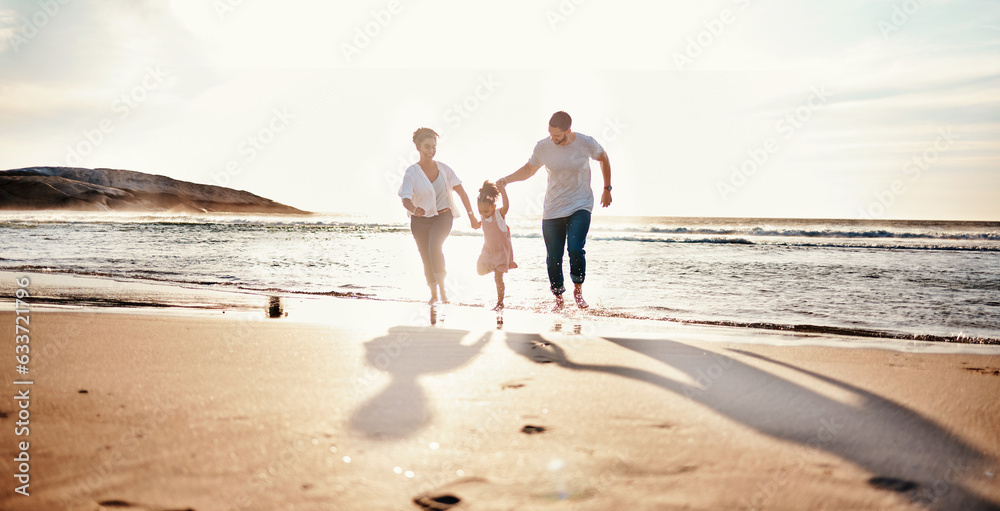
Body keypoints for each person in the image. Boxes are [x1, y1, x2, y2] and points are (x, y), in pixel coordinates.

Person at [497, 111, 612, 310]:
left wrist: (607, 188)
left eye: (557, 135)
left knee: (576, 248)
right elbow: (528, 170)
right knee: (553, 258)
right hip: (553, 209)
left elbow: (604, 159)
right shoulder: (543, 147)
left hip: (580, 204)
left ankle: (578, 292)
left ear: (569, 130)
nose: (553, 138)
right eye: (550, 134)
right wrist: (506, 180)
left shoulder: (586, 143)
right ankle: (558, 300)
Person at [399, 127, 480, 304]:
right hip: (419, 220)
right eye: (427, 147)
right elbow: (405, 198)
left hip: (443, 216)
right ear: (418, 148)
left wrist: (472, 216)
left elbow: (462, 193)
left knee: (434, 247)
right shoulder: (412, 172)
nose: (431, 151)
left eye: (433, 146)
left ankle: (443, 291)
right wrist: (414, 209)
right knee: (425, 255)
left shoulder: (444, 170)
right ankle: (434, 294)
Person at [476, 181, 517, 311]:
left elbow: (506, 206)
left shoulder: (498, 215)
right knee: (479, 270)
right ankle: (495, 268)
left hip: (500, 252)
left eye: (486, 210)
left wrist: (503, 191)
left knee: (498, 279)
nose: (483, 213)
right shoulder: (483, 216)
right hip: (487, 250)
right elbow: (483, 220)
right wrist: (477, 222)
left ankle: (500, 302)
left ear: (494, 207)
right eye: (480, 211)